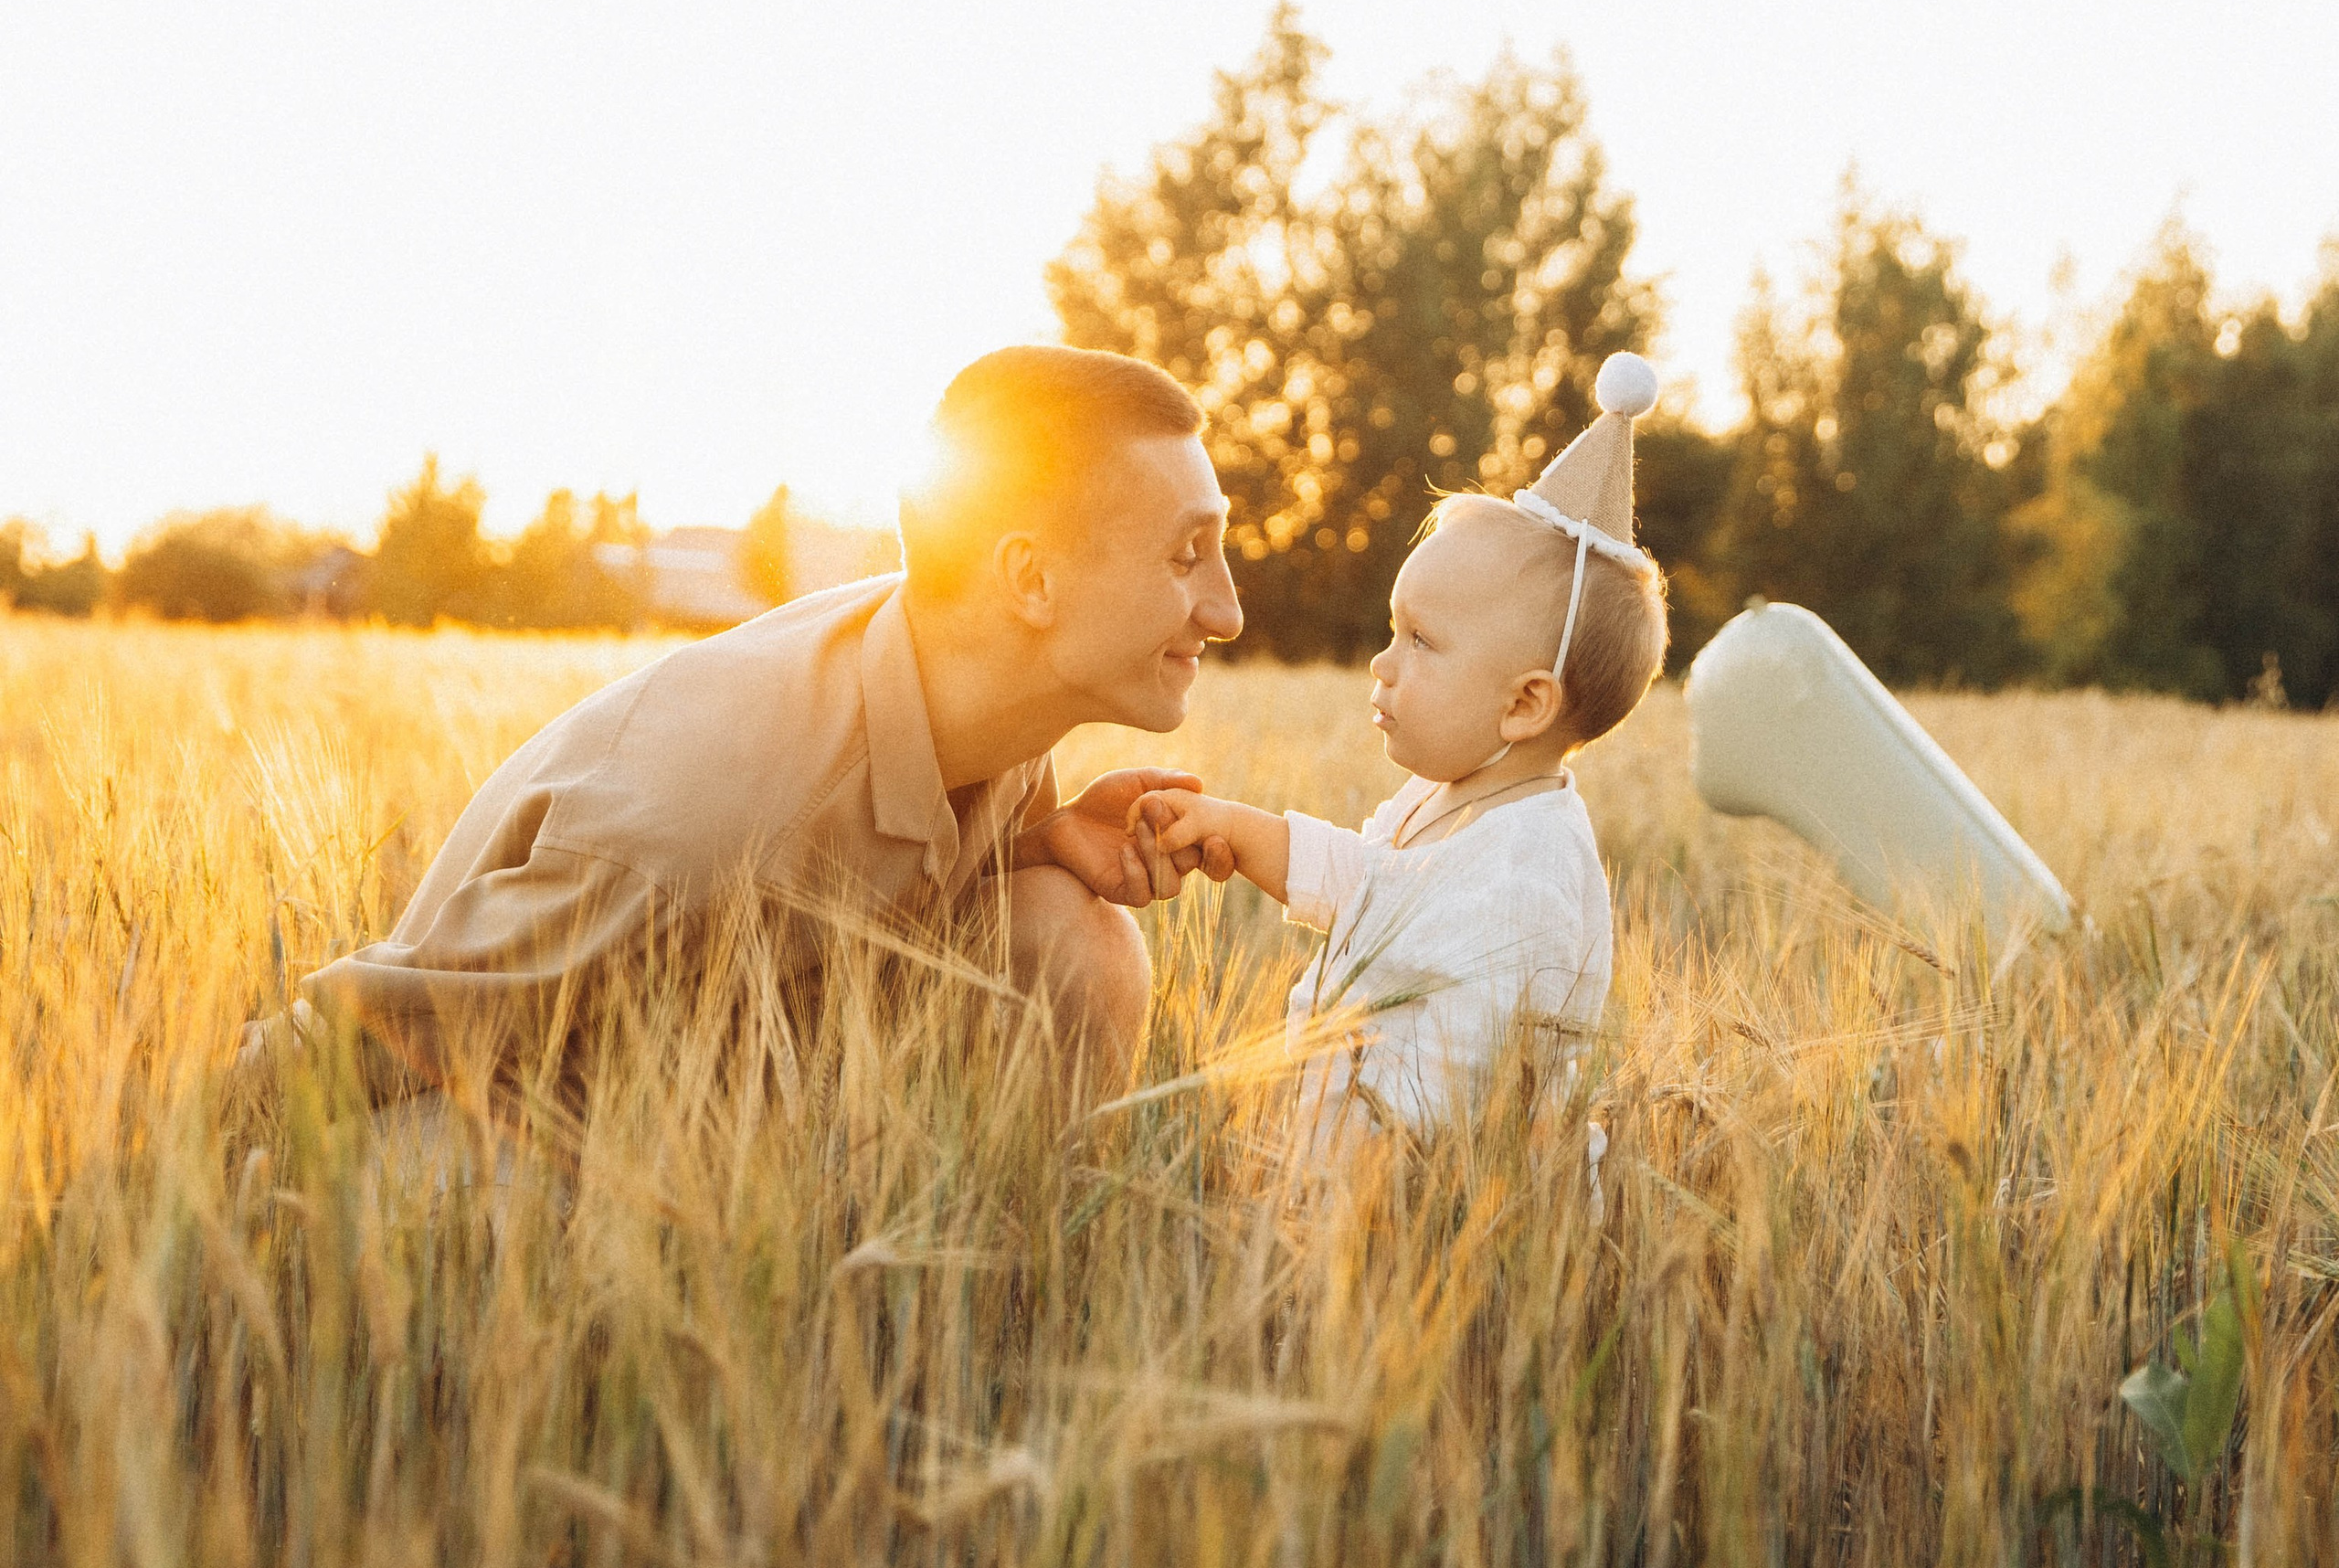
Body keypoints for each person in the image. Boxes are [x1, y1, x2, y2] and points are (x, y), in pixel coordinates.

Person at [291, 347, 1244, 1107]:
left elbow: (852, 896)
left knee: (1073, 936)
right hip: (529, 1140)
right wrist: (172, 1169)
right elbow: (359, 1036)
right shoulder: (708, 816)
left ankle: (987, 1313)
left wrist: (1032, 843)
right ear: (1030, 579)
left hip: (725, 1100)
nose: (1226, 608)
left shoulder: (988, 680)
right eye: (1186, 554)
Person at [1128, 355, 1668, 1147]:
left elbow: (1471, 1075)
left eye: (1420, 640)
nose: (1383, 663)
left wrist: (1369, 1180)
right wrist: (1236, 829)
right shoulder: (1448, 797)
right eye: (1393, 630)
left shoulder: (1527, 871)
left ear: (1523, 703)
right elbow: (1369, 883)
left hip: (1431, 1217)